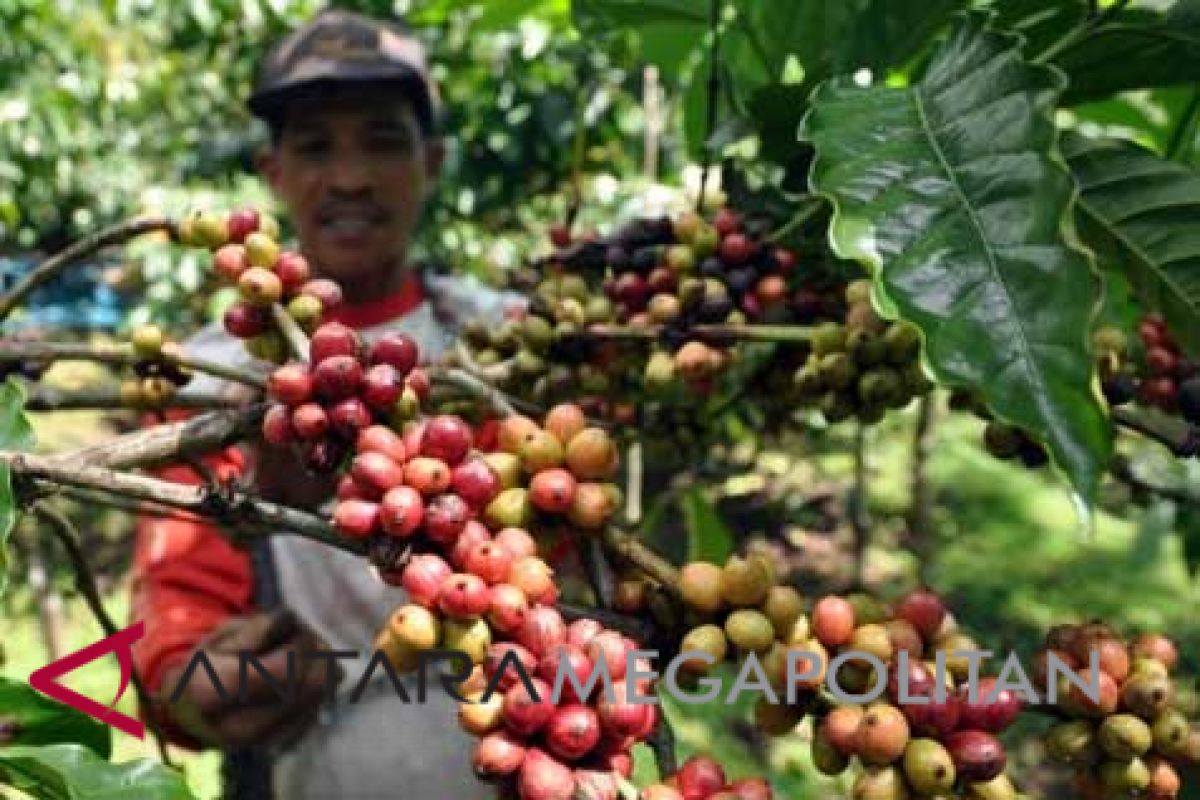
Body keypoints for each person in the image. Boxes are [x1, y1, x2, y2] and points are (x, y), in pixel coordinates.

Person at [130, 10, 516, 799]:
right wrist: (203, 689)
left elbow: (568, 570)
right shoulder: (206, 377)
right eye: (315, 147)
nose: (350, 177)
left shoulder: (500, 347)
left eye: (382, 139)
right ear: (272, 172)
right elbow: (175, 637)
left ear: (432, 160)